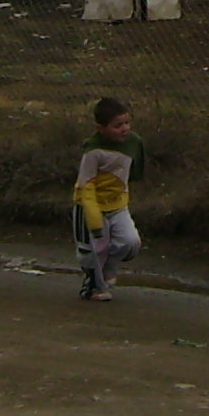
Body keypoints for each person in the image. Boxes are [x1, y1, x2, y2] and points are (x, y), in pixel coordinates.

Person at [73, 96, 145, 301]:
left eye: (127, 123)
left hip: (117, 204)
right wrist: (94, 221)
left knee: (130, 243)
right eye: (117, 126)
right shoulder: (93, 152)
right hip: (90, 206)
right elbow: (86, 187)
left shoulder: (134, 142)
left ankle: (109, 266)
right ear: (100, 128)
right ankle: (93, 286)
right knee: (94, 250)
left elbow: (135, 171)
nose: (125, 129)